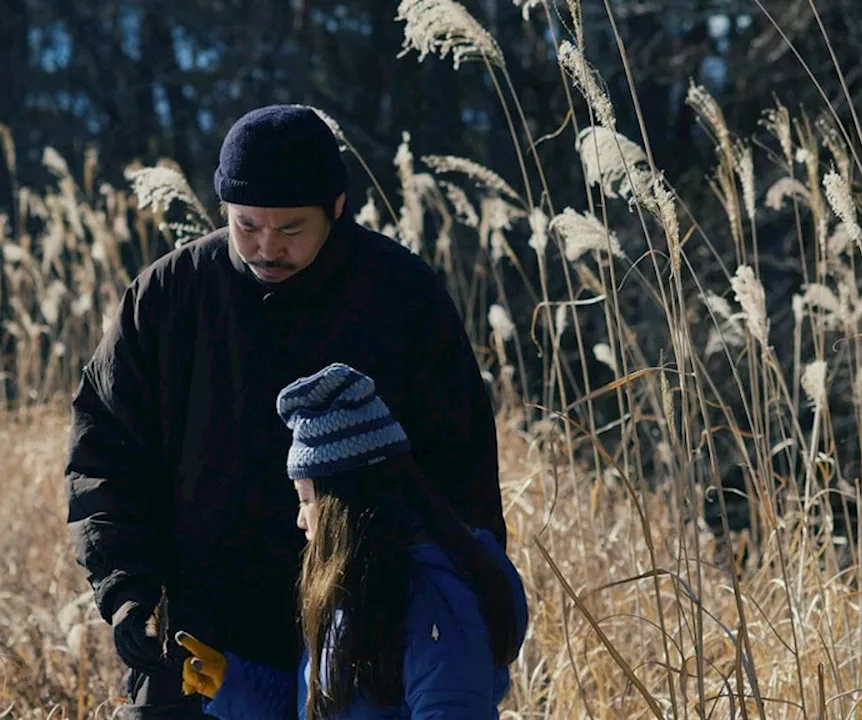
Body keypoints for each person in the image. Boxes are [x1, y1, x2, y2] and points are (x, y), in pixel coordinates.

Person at [64, 104, 507, 718]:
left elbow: (461, 477)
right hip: (196, 646)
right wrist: (131, 596)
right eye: (247, 225)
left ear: (338, 207)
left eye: (292, 228)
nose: (267, 246)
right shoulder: (167, 297)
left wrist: (450, 601)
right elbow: (102, 459)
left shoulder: (403, 298)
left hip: (358, 640)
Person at [174, 362, 528, 719]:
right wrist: (233, 686)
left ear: (342, 504)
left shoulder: (434, 600)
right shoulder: (360, 591)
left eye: (306, 499)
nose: (300, 518)